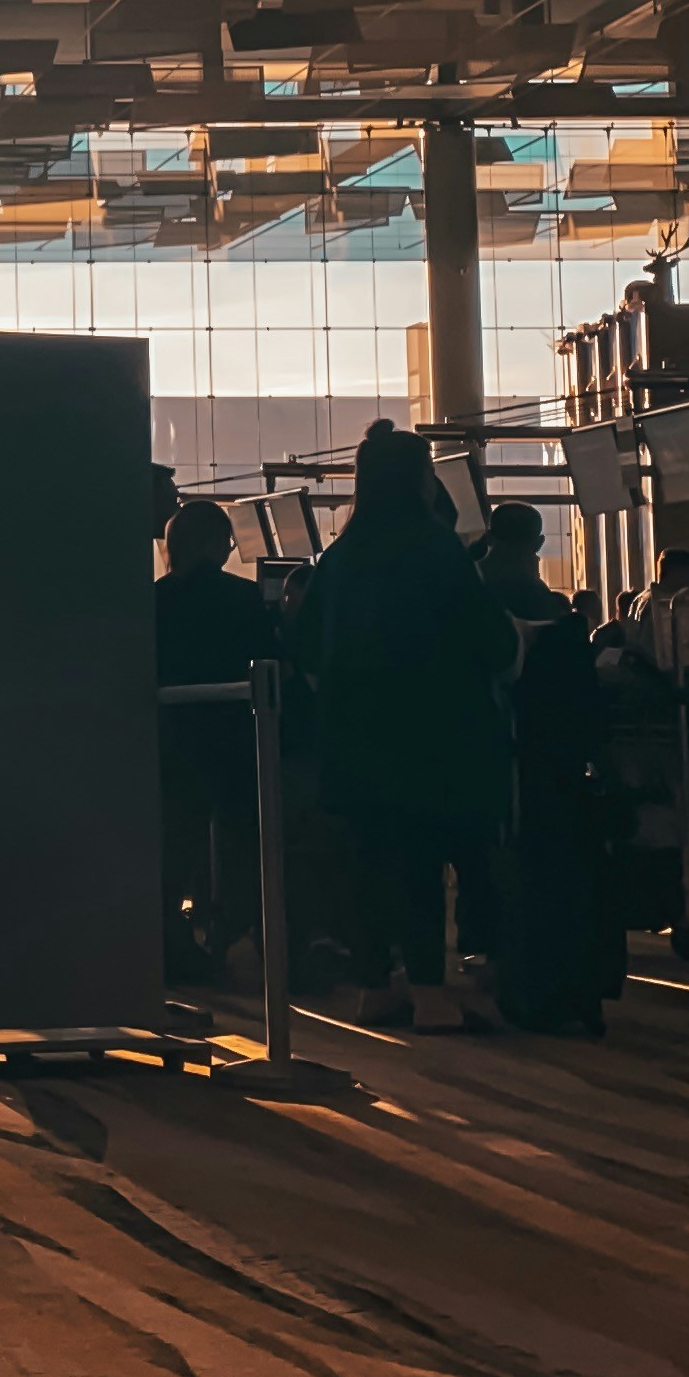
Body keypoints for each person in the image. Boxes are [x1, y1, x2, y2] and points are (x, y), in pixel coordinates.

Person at [299, 421, 513, 1030]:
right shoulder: (437, 550)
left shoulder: (339, 558)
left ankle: (374, 985)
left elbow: (306, 643)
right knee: (423, 865)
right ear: (418, 481)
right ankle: (431, 994)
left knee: (369, 865)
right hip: (432, 741)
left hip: (354, 742)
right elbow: (490, 641)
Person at [482, 503, 616, 1035]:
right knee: (548, 865)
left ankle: (509, 966)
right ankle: (552, 979)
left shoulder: (472, 594)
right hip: (549, 761)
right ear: (535, 545)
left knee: (503, 864)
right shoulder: (554, 611)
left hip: (490, 749)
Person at [154, 502, 280, 981]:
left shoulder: (154, 599)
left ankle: (171, 941)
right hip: (233, 737)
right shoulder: (243, 599)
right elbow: (268, 660)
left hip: (172, 735)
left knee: (176, 843)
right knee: (238, 841)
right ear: (214, 544)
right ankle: (233, 939)